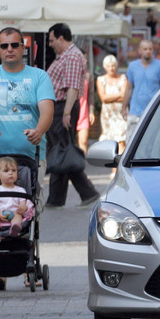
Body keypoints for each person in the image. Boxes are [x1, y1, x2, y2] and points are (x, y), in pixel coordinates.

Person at [0, 27, 54, 290]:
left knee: (30, 209)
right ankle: (0, 271)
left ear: (24, 48)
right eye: (5, 46)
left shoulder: (39, 76)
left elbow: (46, 109)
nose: (10, 50)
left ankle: (29, 265)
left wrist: (39, 131)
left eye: (15, 45)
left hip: (31, 156)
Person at [44, 24, 100, 209]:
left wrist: (67, 112)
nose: (50, 44)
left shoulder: (73, 56)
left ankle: (87, 192)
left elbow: (73, 88)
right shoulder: (67, 56)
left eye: (52, 40)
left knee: (62, 150)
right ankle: (57, 198)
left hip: (63, 108)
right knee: (61, 151)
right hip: (59, 108)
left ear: (61, 38)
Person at [125, 39, 160, 142]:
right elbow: (129, 88)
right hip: (135, 111)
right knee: (131, 142)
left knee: (151, 142)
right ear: (139, 51)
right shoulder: (132, 66)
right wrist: (124, 107)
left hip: (153, 111)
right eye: (145, 49)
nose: (148, 51)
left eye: (150, 49)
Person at [0, 157, 32, 244]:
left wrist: (22, 208)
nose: (11, 173)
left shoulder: (20, 190)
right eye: (6, 171)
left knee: (18, 216)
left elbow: (23, 203)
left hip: (14, 213)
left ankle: (14, 228)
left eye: (14, 170)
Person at [97, 55, 129, 155]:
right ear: (105, 67)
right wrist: (119, 94)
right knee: (110, 141)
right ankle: (112, 167)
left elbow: (125, 96)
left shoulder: (123, 78)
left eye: (113, 65)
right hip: (108, 115)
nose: (111, 68)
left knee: (121, 139)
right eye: (109, 66)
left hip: (121, 113)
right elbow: (103, 98)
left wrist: (110, 97)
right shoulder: (101, 79)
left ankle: (119, 166)